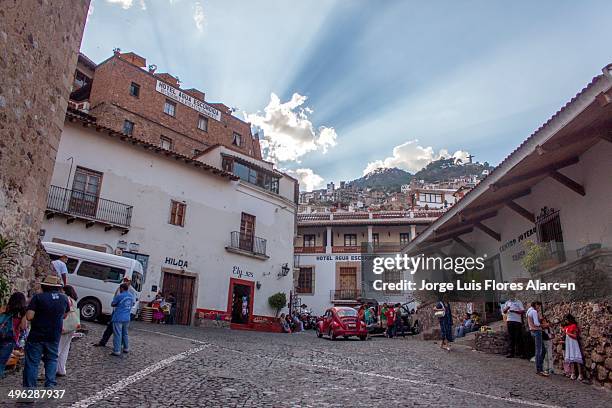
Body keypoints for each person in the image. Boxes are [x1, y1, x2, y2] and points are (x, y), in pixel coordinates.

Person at [23, 275, 70, 389]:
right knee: (52, 360)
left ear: (44, 286)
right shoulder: (64, 298)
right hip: (54, 335)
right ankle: (50, 386)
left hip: (37, 335)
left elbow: (29, 316)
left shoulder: (38, 298)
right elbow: (65, 315)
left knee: (32, 363)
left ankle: (30, 391)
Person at [94, 277, 133, 347]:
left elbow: (132, 302)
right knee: (113, 329)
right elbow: (117, 280)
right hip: (117, 312)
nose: (125, 281)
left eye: (127, 281)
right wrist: (109, 280)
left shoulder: (129, 291)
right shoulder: (121, 287)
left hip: (121, 313)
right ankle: (105, 342)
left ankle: (119, 347)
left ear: (130, 282)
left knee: (120, 331)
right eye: (125, 280)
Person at [0, 292, 27, 378]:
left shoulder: (5, 309)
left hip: (1, 335)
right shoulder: (22, 314)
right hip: (10, 339)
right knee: (2, 360)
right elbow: (23, 327)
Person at [57, 285, 79, 377]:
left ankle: (49, 371)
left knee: (57, 349)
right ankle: (61, 369)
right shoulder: (74, 301)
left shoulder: (65, 299)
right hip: (72, 326)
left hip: (64, 326)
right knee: (65, 349)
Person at [110, 283, 135, 356]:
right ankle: (126, 348)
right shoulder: (131, 296)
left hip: (118, 316)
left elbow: (113, 304)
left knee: (117, 333)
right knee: (125, 333)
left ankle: (117, 350)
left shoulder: (120, 296)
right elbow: (133, 304)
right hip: (127, 317)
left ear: (122, 288)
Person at [526, 301, 548, 377]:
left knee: (542, 350)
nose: (539, 308)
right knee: (539, 350)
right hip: (537, 331)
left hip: (533, 331)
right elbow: (536, 323)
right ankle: (539, 369)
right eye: (538, 306)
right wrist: (545, 325)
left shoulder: (529, 311)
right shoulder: (534, 311)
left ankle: (539, 368)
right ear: (536, 305)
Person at [562, 314, 584, 381]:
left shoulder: (573, 326)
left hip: (573, 343)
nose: (566, 321)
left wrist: (567, 333)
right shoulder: (566, 327)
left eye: (566, 319)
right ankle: (573, 373)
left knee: (576, 358)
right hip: (568, 344)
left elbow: (575, 336)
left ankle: (580, 374)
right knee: (571, 359)